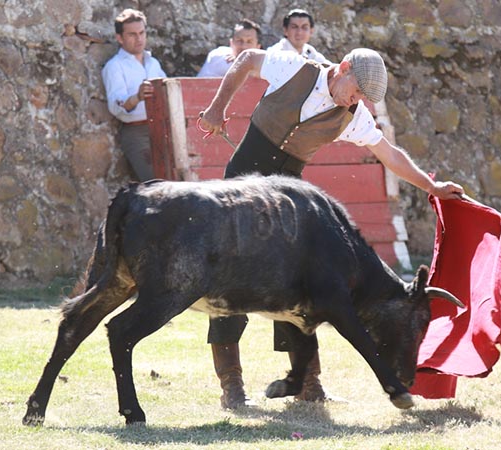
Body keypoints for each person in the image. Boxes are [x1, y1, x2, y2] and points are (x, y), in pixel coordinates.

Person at [198, 47, 465, 410]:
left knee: (296, 286)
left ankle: (309, 383)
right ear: (343, 68)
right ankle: (232, 386)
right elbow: (245, 59)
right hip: (237, 190)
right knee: (225, 277)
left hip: (285, 203)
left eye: (361, 99)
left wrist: (431, 187)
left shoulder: (354, 116)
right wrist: (217, 108)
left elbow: (390, 154)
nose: (355, 101)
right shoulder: (294, 67)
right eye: (355, 91)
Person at [102, 8, 167, 182]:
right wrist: (137, 97)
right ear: (120, 38)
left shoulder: (153, 63)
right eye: (132, 34)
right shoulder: (114, 67)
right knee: (155, 184)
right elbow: (116, 107)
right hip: (137, 133)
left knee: (173, 183)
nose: (139, 39)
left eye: (141, 33)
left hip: (162, 129)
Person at [197, 19, 262, 77]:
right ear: (231, 43)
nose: (243, 46)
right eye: (239, 40)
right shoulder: (219, 56)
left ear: (258, 47)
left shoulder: (265, 61)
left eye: (249, 42)